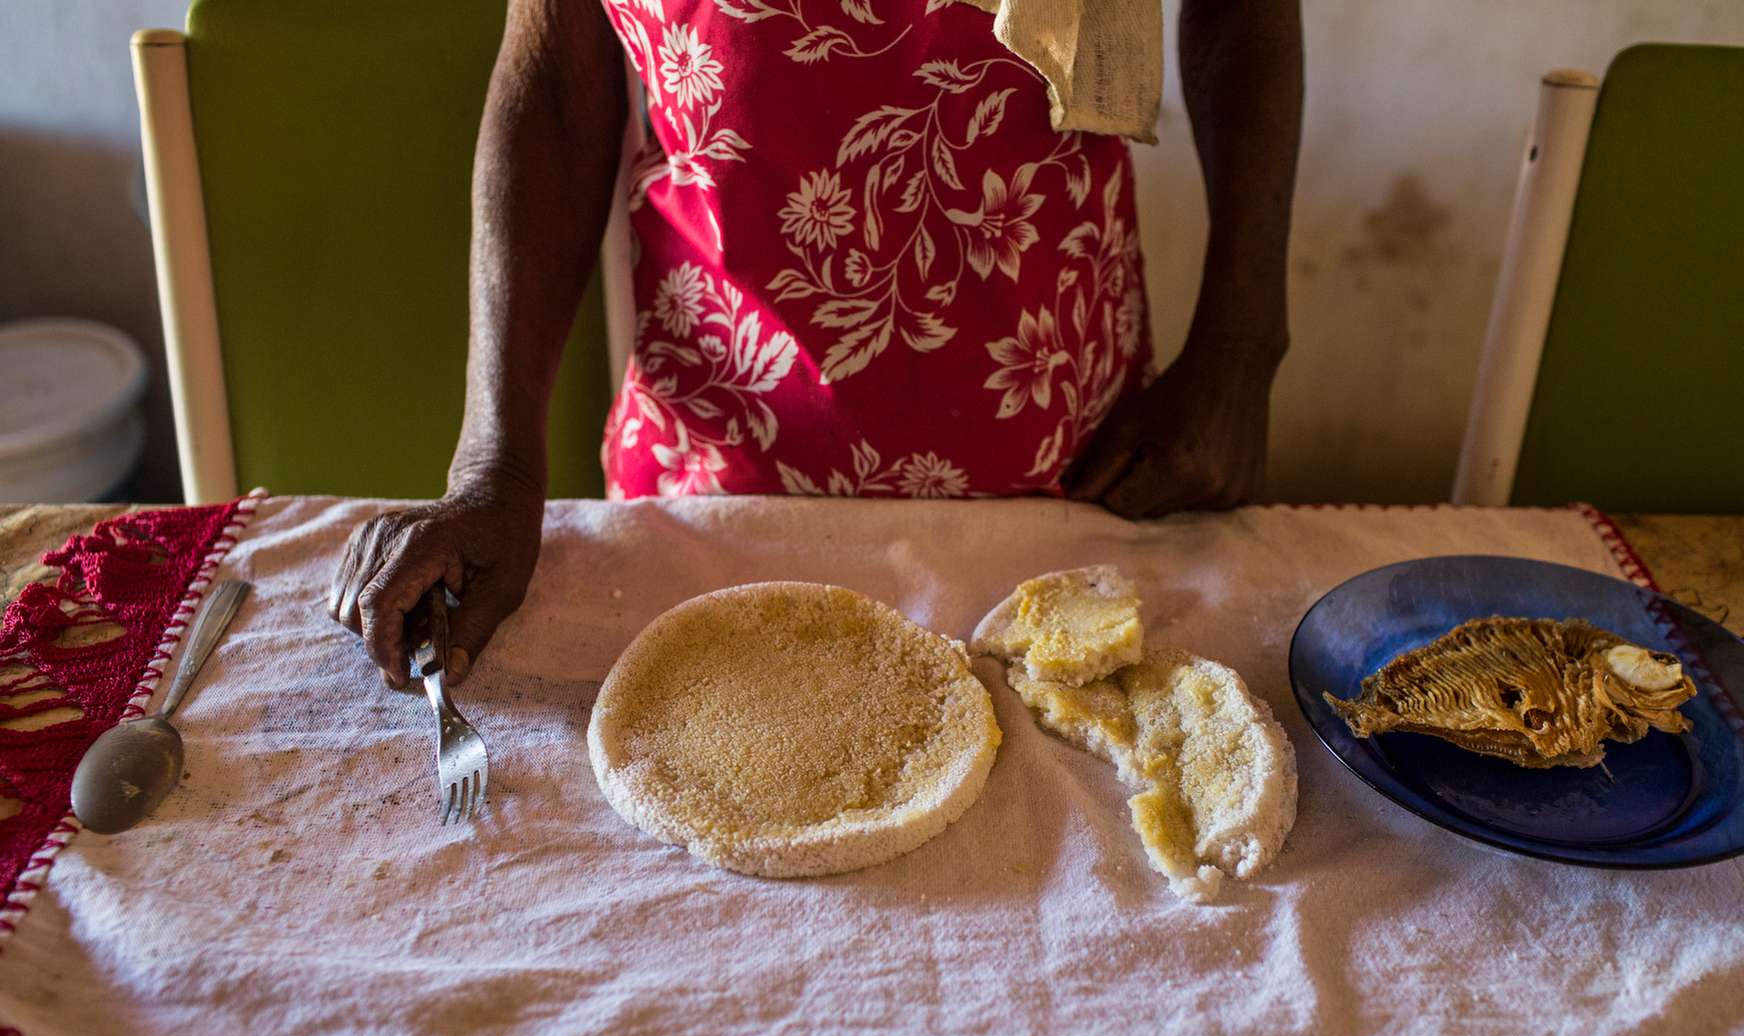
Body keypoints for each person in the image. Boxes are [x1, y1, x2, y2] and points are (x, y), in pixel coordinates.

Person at [329, 0, 1302, 688]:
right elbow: (555, 76)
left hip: (1065, 467)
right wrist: (493, 467)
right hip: (713, 487)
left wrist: (1241, 346)